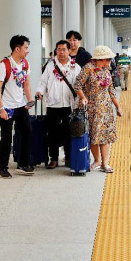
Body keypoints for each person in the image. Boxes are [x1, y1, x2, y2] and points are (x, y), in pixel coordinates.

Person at [74, 45, 123, 173]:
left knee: (105, 135)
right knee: (94, 134)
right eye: (108, 59)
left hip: (105, 109)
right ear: (101, 59)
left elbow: (111, 91)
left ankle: (105, 163)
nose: (110, 62)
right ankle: (97, 160)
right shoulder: (88, 69)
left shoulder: (106, 71)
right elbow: (77, 85)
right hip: (92, 108)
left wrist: (118, 107)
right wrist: (83, 97)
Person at [36, 40, 83, 169]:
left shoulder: (75, 67)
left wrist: (82, 98)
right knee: (52, 133)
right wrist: (39, 91)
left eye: (64, 49)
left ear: (69, 51)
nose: (61, 52)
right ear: (56, 51)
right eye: (59, 49)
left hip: (69, 105)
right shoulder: (50, 66)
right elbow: (43, 82)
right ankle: (54, 158)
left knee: (69, 131)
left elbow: (80, 84)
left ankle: (68, 158)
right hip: (53, 105)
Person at [0, 35, 36, 179]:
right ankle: (2, 168)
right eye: (26, 47)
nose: (28, 50)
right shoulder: (4, 65)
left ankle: (23, 164)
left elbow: (26, 84)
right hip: (7, 106)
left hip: (20, 106)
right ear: (17, 48)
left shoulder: (25, 64)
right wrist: (1, 108)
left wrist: (30, 100)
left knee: (27, 132)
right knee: (6, 137)